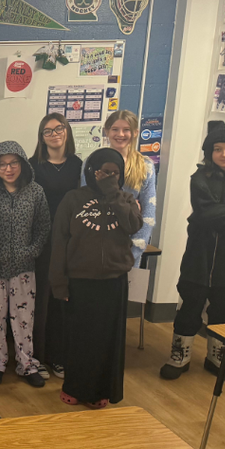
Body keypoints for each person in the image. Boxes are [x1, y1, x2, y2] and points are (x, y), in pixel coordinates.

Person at [160, 121, 225, 383]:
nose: (224, 154)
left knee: (223, 310)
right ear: (210, 152)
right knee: (190, 307)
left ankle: (218, 358)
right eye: (218, 149)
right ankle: (180, 356)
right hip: (200, 257)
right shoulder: (199, 178)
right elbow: (205, 214)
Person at [50, 148, 143, 408]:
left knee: (107, 340)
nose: (108, 177)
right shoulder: (72, 199)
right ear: (91, 171)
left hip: (113, 281)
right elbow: (59, 242)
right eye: (103, 172)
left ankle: (103, 390)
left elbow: (134, 226)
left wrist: (112, 191)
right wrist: (59, 283)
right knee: (81, 338)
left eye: (114, 173)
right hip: (80, 281)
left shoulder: (126, 199)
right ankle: (75, 387)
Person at [0, 141, 50, 387]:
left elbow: (43, 227)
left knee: (23, 319)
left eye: (13, 163)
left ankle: (26, 364)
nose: (8, 169)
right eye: (2, 164)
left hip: (24, 268)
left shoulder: (35, 192)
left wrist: (31, 251)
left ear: (22, 163)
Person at [30, 113, 82, 380]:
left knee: (64, 298)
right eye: (47, 131)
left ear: (67, 131)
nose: (54, 134)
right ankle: (37, 357)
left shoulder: (78, 166)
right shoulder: (33, 166)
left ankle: (59, 357)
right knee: (41, 299)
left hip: (70, 240)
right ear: (41, 137)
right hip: (41, 240)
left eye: (58, 128)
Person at [82, 111, 156, 266]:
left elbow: (148, 214)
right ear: (107, 131)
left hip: (128, 252)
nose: (120, 134)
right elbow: (85, 204)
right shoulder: (91, 163)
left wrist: (134, 251)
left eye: (126, 129)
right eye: (115, 129)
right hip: (96, 246)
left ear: (135, 132)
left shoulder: (145, 166)